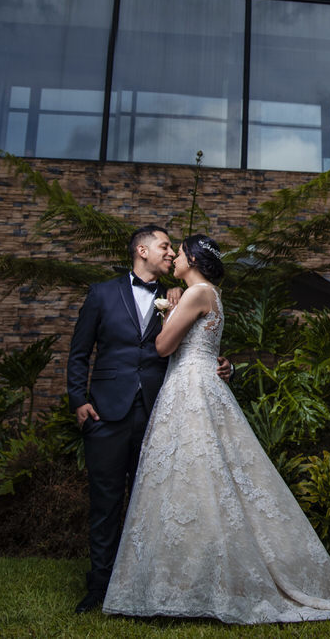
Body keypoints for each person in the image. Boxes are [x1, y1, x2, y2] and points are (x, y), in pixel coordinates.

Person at [102, 234, 330, 623]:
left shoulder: (195, 294)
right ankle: (190, 582)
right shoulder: (207, 293)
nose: (173, 258)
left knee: (195, 478)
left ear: (192, 258)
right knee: (201, 479)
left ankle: (192, 585)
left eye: (179, 253)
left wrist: (165, 312)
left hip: (190, 389)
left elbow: (162, 348)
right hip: (198, 385)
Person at [68, 225, 231, 614]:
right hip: (106, 410)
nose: (171, 254)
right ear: (141, 250)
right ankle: (100, 586)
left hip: (162, 411)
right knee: (105, 501)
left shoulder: (179, 294)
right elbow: (79, 352)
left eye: (175, 251)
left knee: (154, 501)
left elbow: (200, 345)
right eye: (164, 247)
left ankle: (145, 582)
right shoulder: (102, 293)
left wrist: (226, 366)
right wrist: (78, 399)